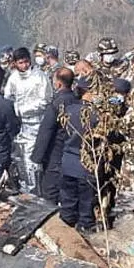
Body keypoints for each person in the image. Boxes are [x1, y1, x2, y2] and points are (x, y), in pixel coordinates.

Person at [3, 46, 51, 193]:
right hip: (20, 126)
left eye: (25, 62)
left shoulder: (40, 76)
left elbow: (46, 100)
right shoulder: (13, 78)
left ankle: (38, 192)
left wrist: (23, 110)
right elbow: (8, 98)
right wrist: (14, 111)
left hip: (37, 123)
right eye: (20, 63)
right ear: (15, 64)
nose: (24, 65)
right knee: (21, 159)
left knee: (36, 160)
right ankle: (27, 191)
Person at [57, 77, 101, 232]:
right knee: (86, 201)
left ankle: (65, 228)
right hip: (87, 163)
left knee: (67, 198)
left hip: (68, 161)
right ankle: (85, 227)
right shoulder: (97, 114)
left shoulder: (68, 111)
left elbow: (62, 135)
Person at [32, 67, 79, 203]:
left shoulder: (56, 104)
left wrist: (37, 158)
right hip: (74, 152)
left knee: (50, 190)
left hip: (56, 153)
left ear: (58, 83)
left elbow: (45, 132)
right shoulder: (77, 100)